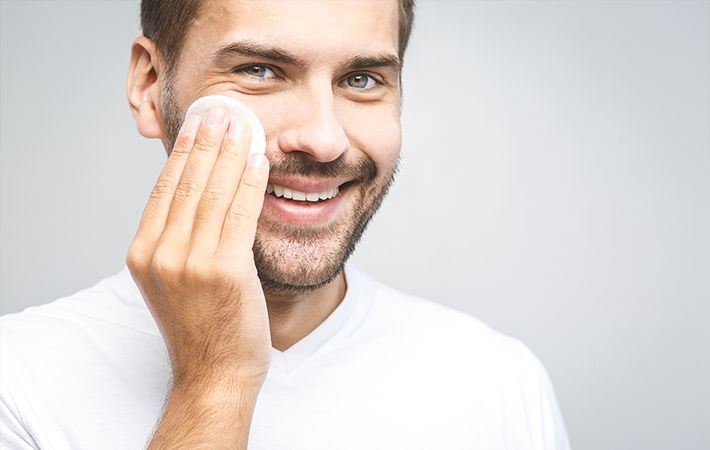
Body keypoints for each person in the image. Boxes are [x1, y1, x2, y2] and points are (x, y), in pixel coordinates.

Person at [0, 1, 570, 448]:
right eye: (260, 70)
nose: (324, 140)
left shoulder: (500, 382)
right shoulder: (17, 384)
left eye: (362, 79)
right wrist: (213, 387)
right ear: (150, 87)